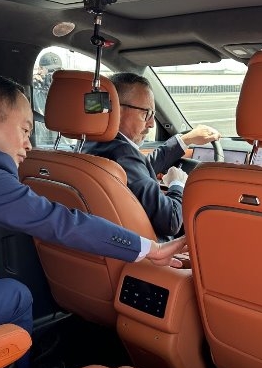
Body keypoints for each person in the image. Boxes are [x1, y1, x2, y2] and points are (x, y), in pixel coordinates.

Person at [0, 74, 187, 354]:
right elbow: (61, 222)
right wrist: (150, 248)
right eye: (25, 130)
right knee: (17, 297)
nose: (29, 144)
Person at [83, 72, 221, 241]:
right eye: (146, 114)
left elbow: (137, 171)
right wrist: (177, 184)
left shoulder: (87, 146)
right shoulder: (123, 154)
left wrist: (185, 140)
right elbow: (171, 220)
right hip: (152, 252)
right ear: (117, 110)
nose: (151, 124)